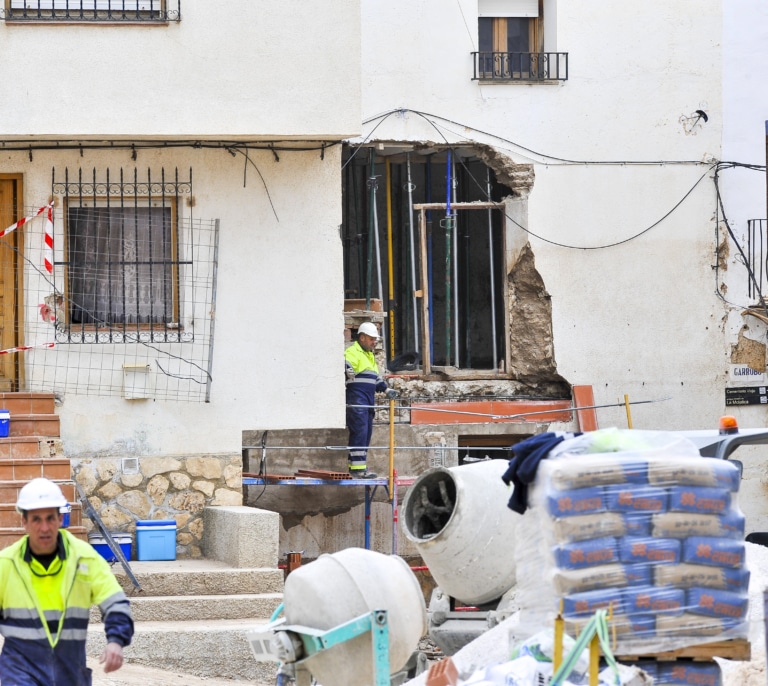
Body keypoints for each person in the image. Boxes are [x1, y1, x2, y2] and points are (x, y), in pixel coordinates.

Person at [0, 477, 134, 685]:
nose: (44, 527)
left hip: (69, 671)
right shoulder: (6, 564)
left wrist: (116, 641)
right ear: (24, 522)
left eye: (50, 518)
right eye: (36, 519)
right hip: (19, 670)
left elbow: (115, 601)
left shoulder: (84, 558)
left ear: (60, 519)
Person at [344, 322, 397, 478]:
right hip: (357, 400)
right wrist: (346, 369)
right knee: (359, 433)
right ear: (362, 337)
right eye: (372, 339)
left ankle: (358, 467)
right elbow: (345, 365)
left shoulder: (369, 355)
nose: (375, 342)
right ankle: (358, 470)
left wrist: (386, 389)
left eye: (375, 339)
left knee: (365, 434)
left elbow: (376, 379)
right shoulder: (353, 351)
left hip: (367, 402)